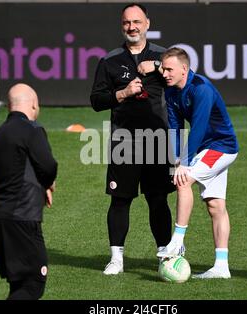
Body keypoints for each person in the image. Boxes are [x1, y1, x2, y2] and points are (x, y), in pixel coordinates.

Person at [90, 3, 175, 275]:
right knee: (120, 199)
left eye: (137, 22)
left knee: (158, 199)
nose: (132, 27)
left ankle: (164, 254)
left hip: (157, 141)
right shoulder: (110, 60)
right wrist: (123, 93)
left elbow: (186, 75)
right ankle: (116, 258)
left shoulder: (164, 56)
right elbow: (96, 100)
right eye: (127, 22)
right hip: (124, 141)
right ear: (121, 25)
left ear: (148, 23)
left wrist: (160, 65)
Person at [156, 47, 239, 280]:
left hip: (222, 147)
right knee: (215, 206)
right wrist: (175, 161)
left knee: (183, 181)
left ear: (185, 69)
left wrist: (185, 164)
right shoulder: (171, 91)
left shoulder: (201, 89)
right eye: (163, 69)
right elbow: (174, 128)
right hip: (207, 149)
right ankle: (221, 266)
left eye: (169, 69)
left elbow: (199, 128)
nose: (165, 73)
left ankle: (177, 242)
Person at [0, 83, 58, 299]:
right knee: (33, 282)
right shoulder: (32, 130)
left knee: (19, 285)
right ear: (34, 105)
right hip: (22, 218)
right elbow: (48, 166)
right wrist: (48, 182)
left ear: (9, 106)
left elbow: (14, 172)